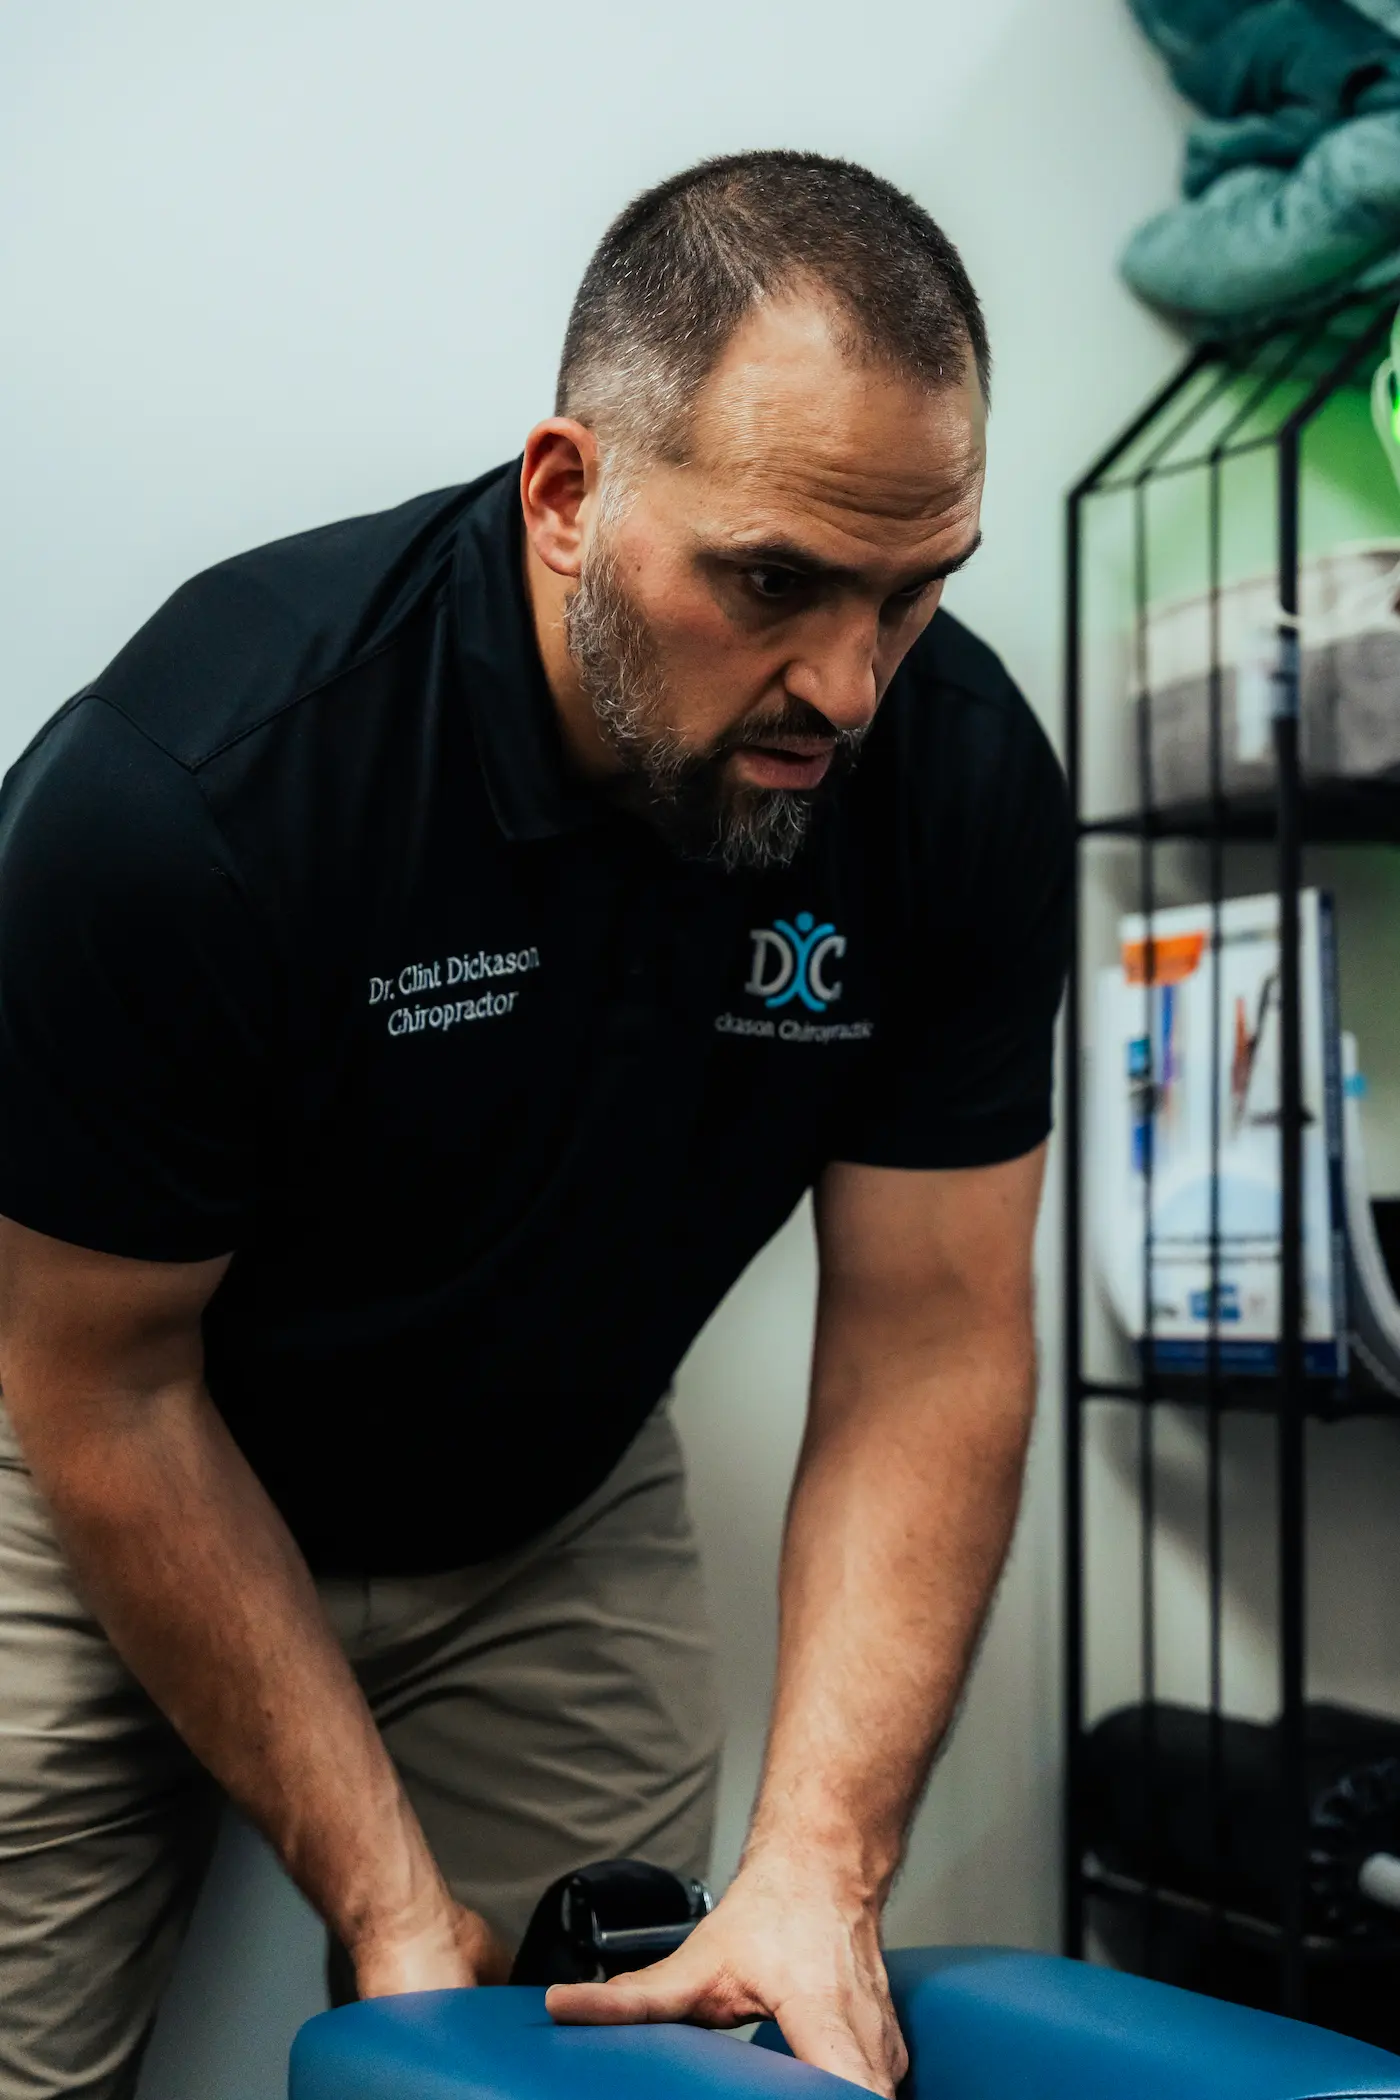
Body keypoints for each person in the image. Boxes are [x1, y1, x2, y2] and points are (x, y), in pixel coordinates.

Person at [0, 149, 1070, 2100]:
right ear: (567, 494)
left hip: (547, 1518)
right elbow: (104, 1387)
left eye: (912, 594)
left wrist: (820, 1863)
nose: (846, 682)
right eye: (772, 582)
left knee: (624, 2071)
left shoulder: (961, 775)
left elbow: (930, 1333)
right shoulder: (191, 797)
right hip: (112, 1467)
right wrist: (386, 1901)